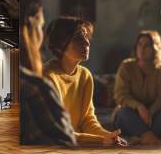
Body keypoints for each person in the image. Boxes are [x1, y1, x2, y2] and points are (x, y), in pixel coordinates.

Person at [44, 16, 127, 147]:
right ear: (60, 46)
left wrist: (108, 136)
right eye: (78, 38)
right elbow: (58, 131)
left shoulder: (85, 75)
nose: (87, 42)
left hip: (77, 142)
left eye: (86, 36)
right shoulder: (48, 77)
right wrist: (100, 140)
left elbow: (87, 120)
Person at [19, 0, 77, 147]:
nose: (87, 43)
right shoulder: (38, 86)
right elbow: (67, 145)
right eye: (41, 26)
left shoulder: (85, 75)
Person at [113, 31, 161, 145]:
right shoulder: (126, 66)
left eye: (147, 45)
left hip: (154, 115)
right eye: (140, 44)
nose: (142, 48)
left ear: (156, 48)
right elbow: (120, 95)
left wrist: (150, 112)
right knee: (123, 113)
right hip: (131, 114)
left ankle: (140, 138)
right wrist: (139, 107)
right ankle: (150, 138)